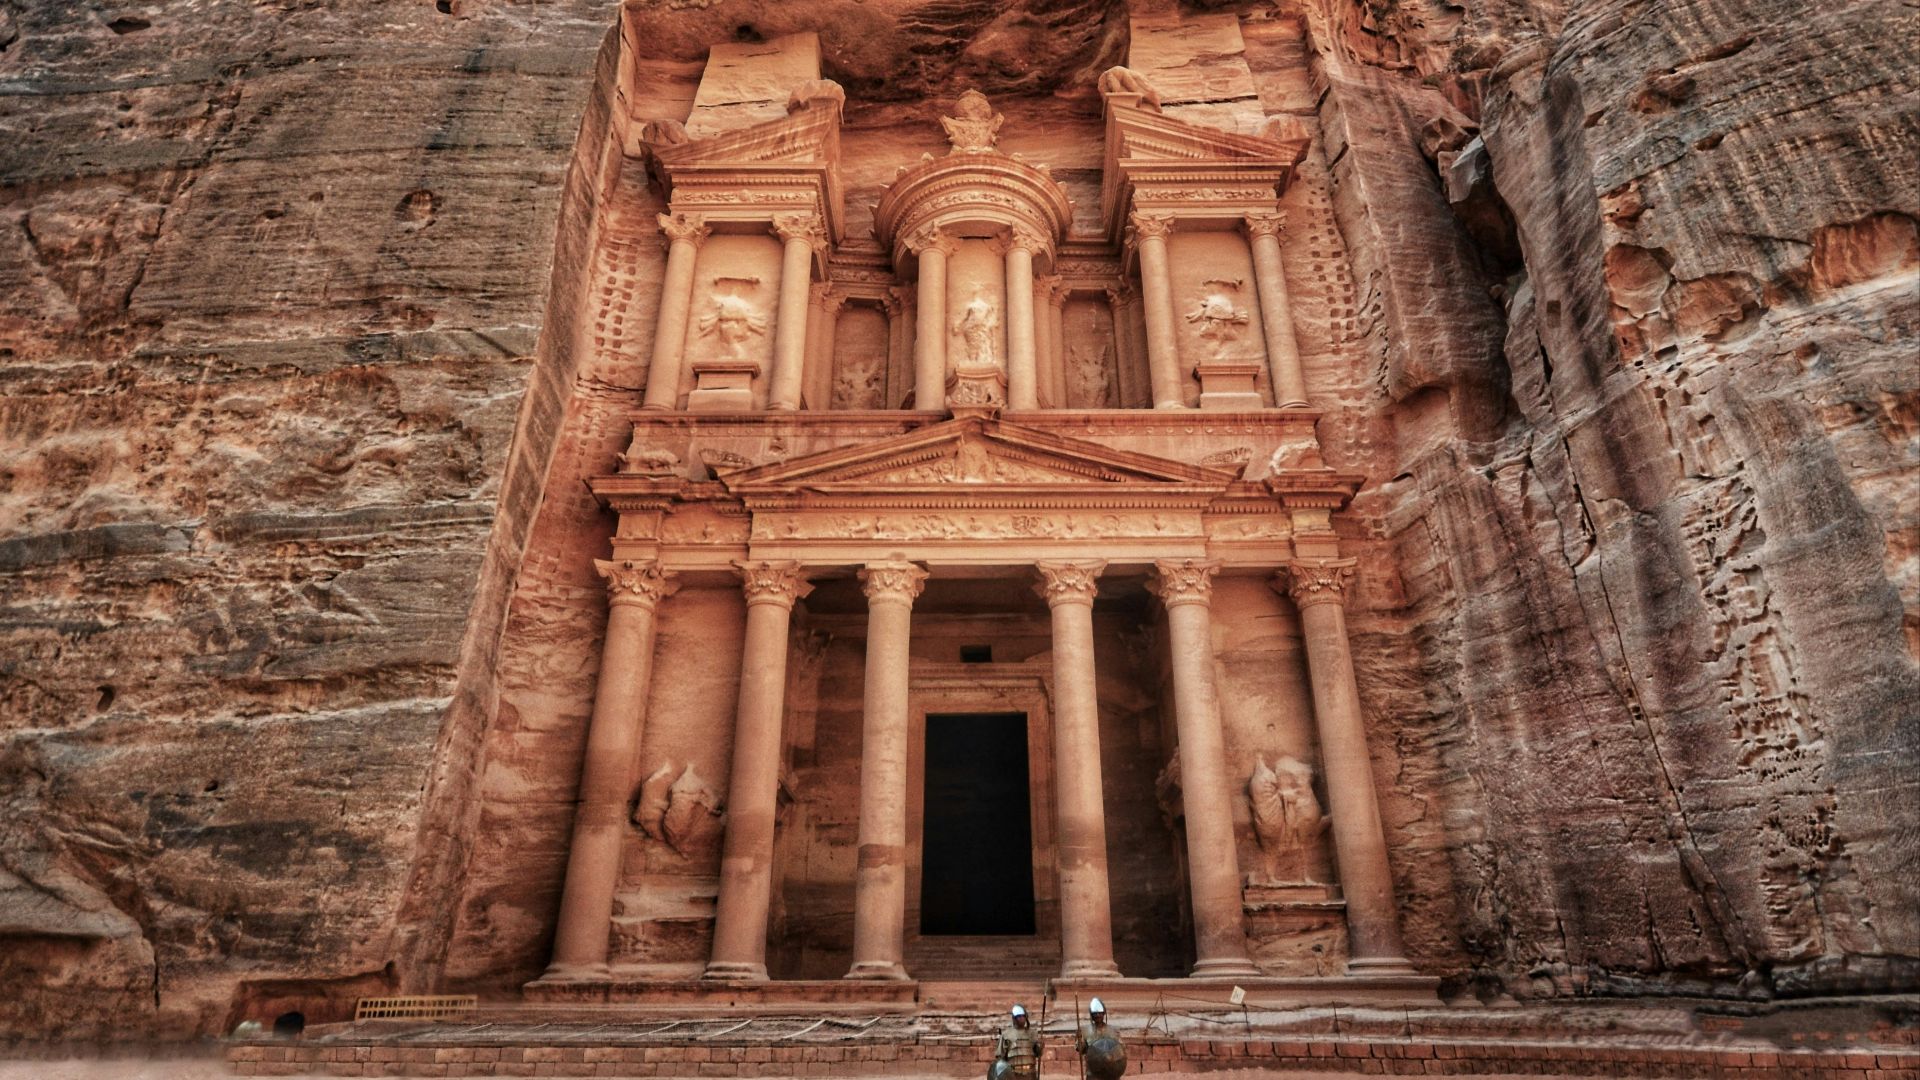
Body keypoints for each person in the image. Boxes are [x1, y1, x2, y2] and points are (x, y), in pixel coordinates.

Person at [1075, 998, 1128, 1079]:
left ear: (1104, 1013)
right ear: (1091, 1015)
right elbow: (1080, 1050)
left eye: (1099, 1013)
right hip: (1094, 1071)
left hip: (1112, 1071)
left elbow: (1121, 1050)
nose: (1097, 1015)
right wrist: (1079, 1040)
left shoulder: (1113, 1031)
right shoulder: (1084, 1031)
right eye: (1095, 1013)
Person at [992, 1003, 1042, 1077]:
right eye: (1019, 1016)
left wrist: (1040, 1047)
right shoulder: (1006, 1035)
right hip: (1013, 1075)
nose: (1021, 1018)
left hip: (1030, 1074)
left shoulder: (1032, 1034)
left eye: (1023, 1016)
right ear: (1014, 1018)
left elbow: (1038, 1054)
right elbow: (1000, 1058)